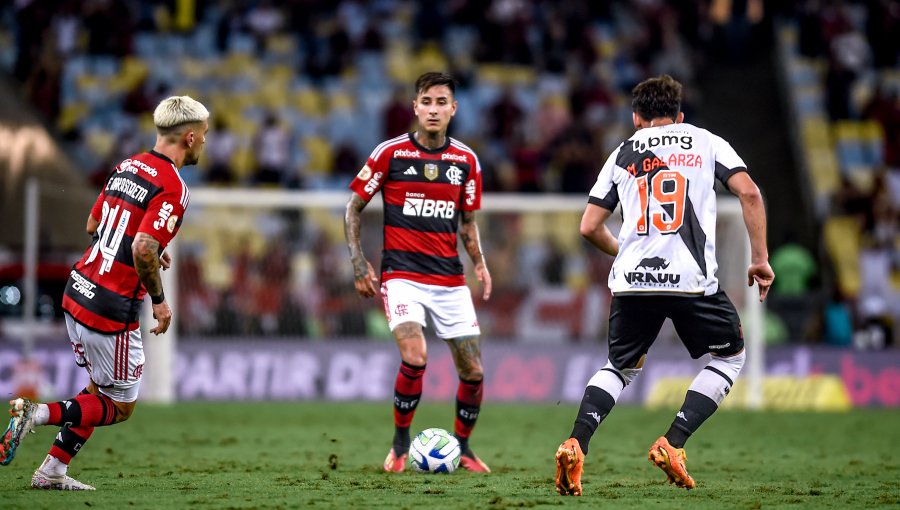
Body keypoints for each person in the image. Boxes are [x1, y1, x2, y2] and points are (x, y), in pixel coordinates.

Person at [554, 75, 774, 496]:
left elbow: (588, 227)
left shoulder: (623, 150)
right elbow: (749, 194)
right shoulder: (707, 142)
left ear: (636, 117)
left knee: (618, 368)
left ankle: (575, 443)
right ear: (680, 115)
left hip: (634, 279)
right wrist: (759, 258)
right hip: (692, 281)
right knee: (729, 357)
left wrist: (626, 252)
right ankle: (672, 442)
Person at [0, 96, 210, 490]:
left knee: (99, 388)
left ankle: (51, 471)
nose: (205, 144)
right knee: (119, 406)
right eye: (205, 137)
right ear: (191, 137)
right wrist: (161, 302)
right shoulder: (173, 187)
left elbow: (93, 222)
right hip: (109, 309)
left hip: (77, 290)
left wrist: (144, 247)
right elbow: (142, 247)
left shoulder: (127, 165)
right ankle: (36, 414)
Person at [344, 71, 492, 473]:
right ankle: (399, 444)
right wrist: (359, 262)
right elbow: (353, 206)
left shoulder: (466, 161)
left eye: (441, 102)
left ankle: (462, 448)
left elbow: (467, 221)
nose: (433, 109)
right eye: (426, 101)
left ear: (453, 109)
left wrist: (479, 263)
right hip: (402, 277)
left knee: (474, 371)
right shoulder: (390, 153)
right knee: (416, 356)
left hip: (449, 281)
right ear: (415, 107)